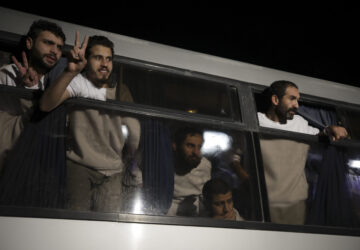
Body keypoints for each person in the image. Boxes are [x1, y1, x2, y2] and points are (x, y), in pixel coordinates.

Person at [40, 32, 140, 212]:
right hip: (80, 165)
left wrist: (128, 156)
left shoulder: (120, 89)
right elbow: (46, 105)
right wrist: (70, 72)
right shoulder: (79, 82)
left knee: (107, 226)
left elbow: (134, 131)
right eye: (98, 58)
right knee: (76, 221)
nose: (104, 64)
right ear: (86, 61)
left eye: (108, 59)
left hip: (113, 168)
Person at [258, 80, 348, 225]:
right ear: (275, 100)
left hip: (296, 204)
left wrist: (331, 129)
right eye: (292, 99)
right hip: (263, 202)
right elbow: (236, 157)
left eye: (297, 100)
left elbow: (320, 134)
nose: (297, 105)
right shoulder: (256, 121)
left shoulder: (299, 123)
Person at [0, 19, 66, 170]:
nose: (54, 51)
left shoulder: (53, 84)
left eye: (59, 47)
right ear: (29, 43)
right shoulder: (7, 74)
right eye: (48, 43)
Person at [167, 127, 211, 216]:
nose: (196, 152)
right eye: (190, 146)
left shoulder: (205, 165)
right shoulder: (165, 163)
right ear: (175, 145)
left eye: (200, 147)